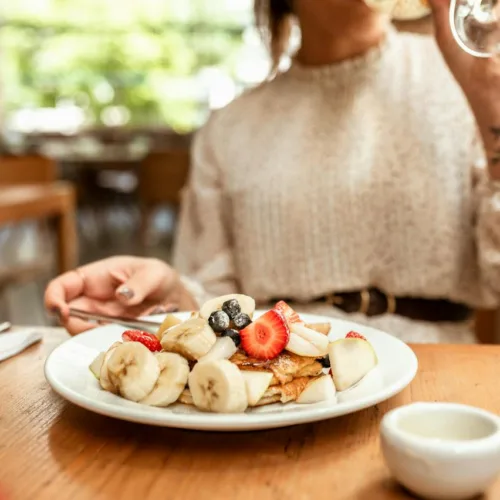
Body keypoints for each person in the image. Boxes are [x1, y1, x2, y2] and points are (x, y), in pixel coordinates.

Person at [45, 0, 500, 343]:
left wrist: (488, 99)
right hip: (278, 394)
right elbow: (217, 312)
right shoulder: (230, 129)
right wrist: (172, 298)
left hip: (437, 390)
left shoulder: (468, 82)